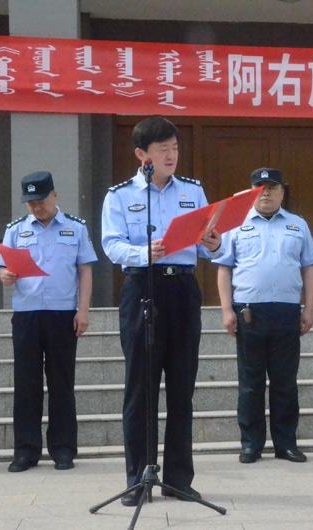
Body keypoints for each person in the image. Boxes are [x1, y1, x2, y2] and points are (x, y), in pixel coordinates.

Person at [101, 116, 222, 506]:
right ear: (142, 154)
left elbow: (204, 245)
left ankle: (178, 480)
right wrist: (143, 252)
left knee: (182, 389)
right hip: (142, 289)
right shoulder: (120, 195)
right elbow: (112, 245)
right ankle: (139, 479)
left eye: (175, 148)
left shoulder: (192, 191)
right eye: (163, 149)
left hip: (183, 289)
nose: (172, 155)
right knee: (141, 390)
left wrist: (214, 244)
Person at [214, 167, 313, 465]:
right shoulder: (236, 224)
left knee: (285, 382)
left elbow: (309, 268)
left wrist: (309, 309)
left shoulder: (298, 225)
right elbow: (224, 268)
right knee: (250, 382)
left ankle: (286, 444)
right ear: (251, 192)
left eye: (272, 188)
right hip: (250, 312)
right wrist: (226, 310)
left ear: (282, 193)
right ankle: (251, 444)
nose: (266, 193)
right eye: (260, 188)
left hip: (287, 312)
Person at [0, 171, 97, 473]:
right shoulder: (16, 230)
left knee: (61, 382)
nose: (36, 207)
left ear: (54, 195)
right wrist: (5, 276)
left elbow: (85, 271)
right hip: (27, 314)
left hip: (63, 313)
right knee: (26, 383)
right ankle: (26, 451)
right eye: (31, 203)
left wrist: (83, 310)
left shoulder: (75, 228)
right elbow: (3, 269)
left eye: (41, 200)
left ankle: (63, 449)